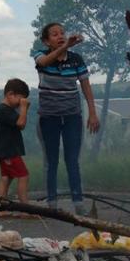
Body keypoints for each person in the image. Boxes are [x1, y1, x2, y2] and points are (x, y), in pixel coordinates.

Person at [33, 22, 100, 213]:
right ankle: (52, 204)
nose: (60, 36)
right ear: (46, 41)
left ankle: (78, 203)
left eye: (62, 33)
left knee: (72, 160)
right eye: (54, 34)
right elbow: (43, 63)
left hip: (72, 116)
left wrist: (92, 112)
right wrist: (65, 46)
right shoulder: (40, 55)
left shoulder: (76, 59)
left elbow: (86, 86)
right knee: (51, 161)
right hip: (49, 117)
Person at [0, 79, 31, 206]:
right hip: (9, 151)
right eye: (20, 99)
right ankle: (25, 207)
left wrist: (23, 108)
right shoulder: (4, 110)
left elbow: (19, 123)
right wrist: (24, 108)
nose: (21, 103)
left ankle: (1, 207)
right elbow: (21, 124)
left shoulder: (5, 109)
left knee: (6, 178)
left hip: (5, 150)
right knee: (23, 175)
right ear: (10, 94)